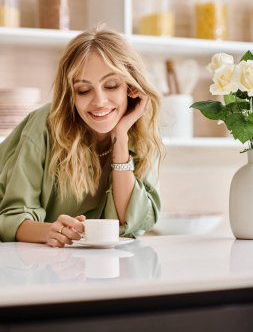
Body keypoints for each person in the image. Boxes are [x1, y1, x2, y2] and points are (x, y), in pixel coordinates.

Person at [0, 27, 164, 247]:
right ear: (71, 95)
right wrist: (50, 231)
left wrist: (120, 138)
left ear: (130, 86)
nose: (99, 101)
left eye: (111, 85)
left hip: (92, 265)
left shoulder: (141, 132)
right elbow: (11, 217)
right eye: (84, 90)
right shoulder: (44, 126)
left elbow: (129, 222)